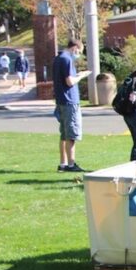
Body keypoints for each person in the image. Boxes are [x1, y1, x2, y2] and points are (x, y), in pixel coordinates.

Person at [52, 39, 88, 172]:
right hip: (69, 101)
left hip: (61, 100)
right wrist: (81, 76)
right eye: (79, 51)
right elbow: (69, 81)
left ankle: (63, 163)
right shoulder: (66, 59)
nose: (78, 54)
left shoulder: (58, 58)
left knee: (64, 134)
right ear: (74, 48)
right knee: (71, 134)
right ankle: (71, 164)